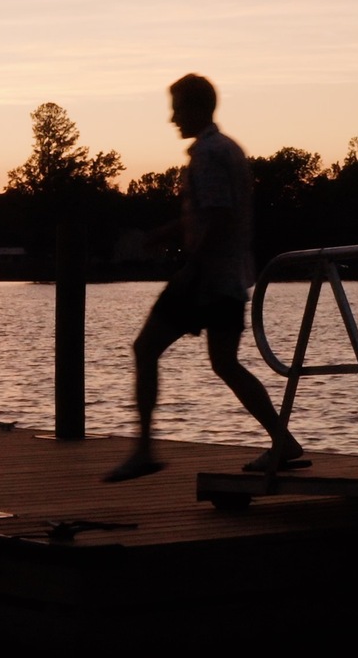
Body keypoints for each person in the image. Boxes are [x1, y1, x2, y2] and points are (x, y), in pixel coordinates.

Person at [105, 74, 304, 481]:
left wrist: (192, 266)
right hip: (229, 278)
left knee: (146, 349)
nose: (172, 118)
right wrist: (160, 235)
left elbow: (217, 215)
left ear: (197, 108)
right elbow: (210, 212)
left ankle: (143, 449)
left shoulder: (209, 154)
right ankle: (284, 441)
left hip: (207, 278)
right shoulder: (228, 150)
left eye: (177, 108)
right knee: (226, 363)